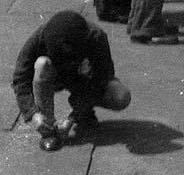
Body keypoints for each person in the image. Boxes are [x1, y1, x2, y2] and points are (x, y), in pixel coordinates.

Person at [12, 11, 131, 151]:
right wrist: (33, 113)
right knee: (41, 64)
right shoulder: (40, 37)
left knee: (121, 96)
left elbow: (101, 79)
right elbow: (20, 78)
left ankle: (84, 113)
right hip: (55, 76)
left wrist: (73, 116)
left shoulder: (96, 38)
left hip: (84, 80)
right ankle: (48, 128)